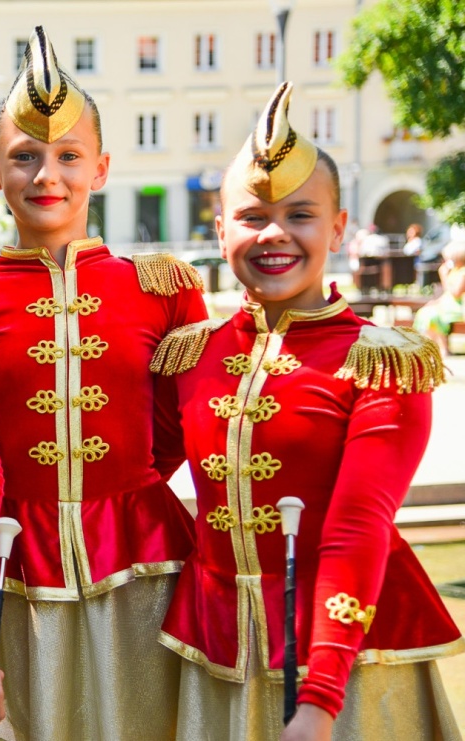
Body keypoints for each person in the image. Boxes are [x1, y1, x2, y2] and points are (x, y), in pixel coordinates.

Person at [0, 27, 207, 741]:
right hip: (18, 576)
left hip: (153, 574)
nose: (48, 175)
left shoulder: (162, 288)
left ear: (101, 167)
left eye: (68, 156)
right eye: (25, 157)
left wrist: (122, 489)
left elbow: (182, 438)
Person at [151, 82, 463, 741]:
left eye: (300, 215)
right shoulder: (188, 356)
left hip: (347, 671)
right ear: (218, 227)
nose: (274, 234)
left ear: (339, 228)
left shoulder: (382, 361)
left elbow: (358, 526)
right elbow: (133, 476)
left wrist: (320, 699)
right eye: (252, 215)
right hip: (217, 659)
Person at [414, 239, 465, 357]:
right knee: (424, 312)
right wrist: (436, 301)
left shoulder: (463, 273)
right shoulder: (455, 271)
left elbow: (456, 293)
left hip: (458, 307)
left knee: (433, 315)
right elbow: (447, 295)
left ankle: (443, 348)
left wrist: (443, 276)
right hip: (449, 304)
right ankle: (431, 346)